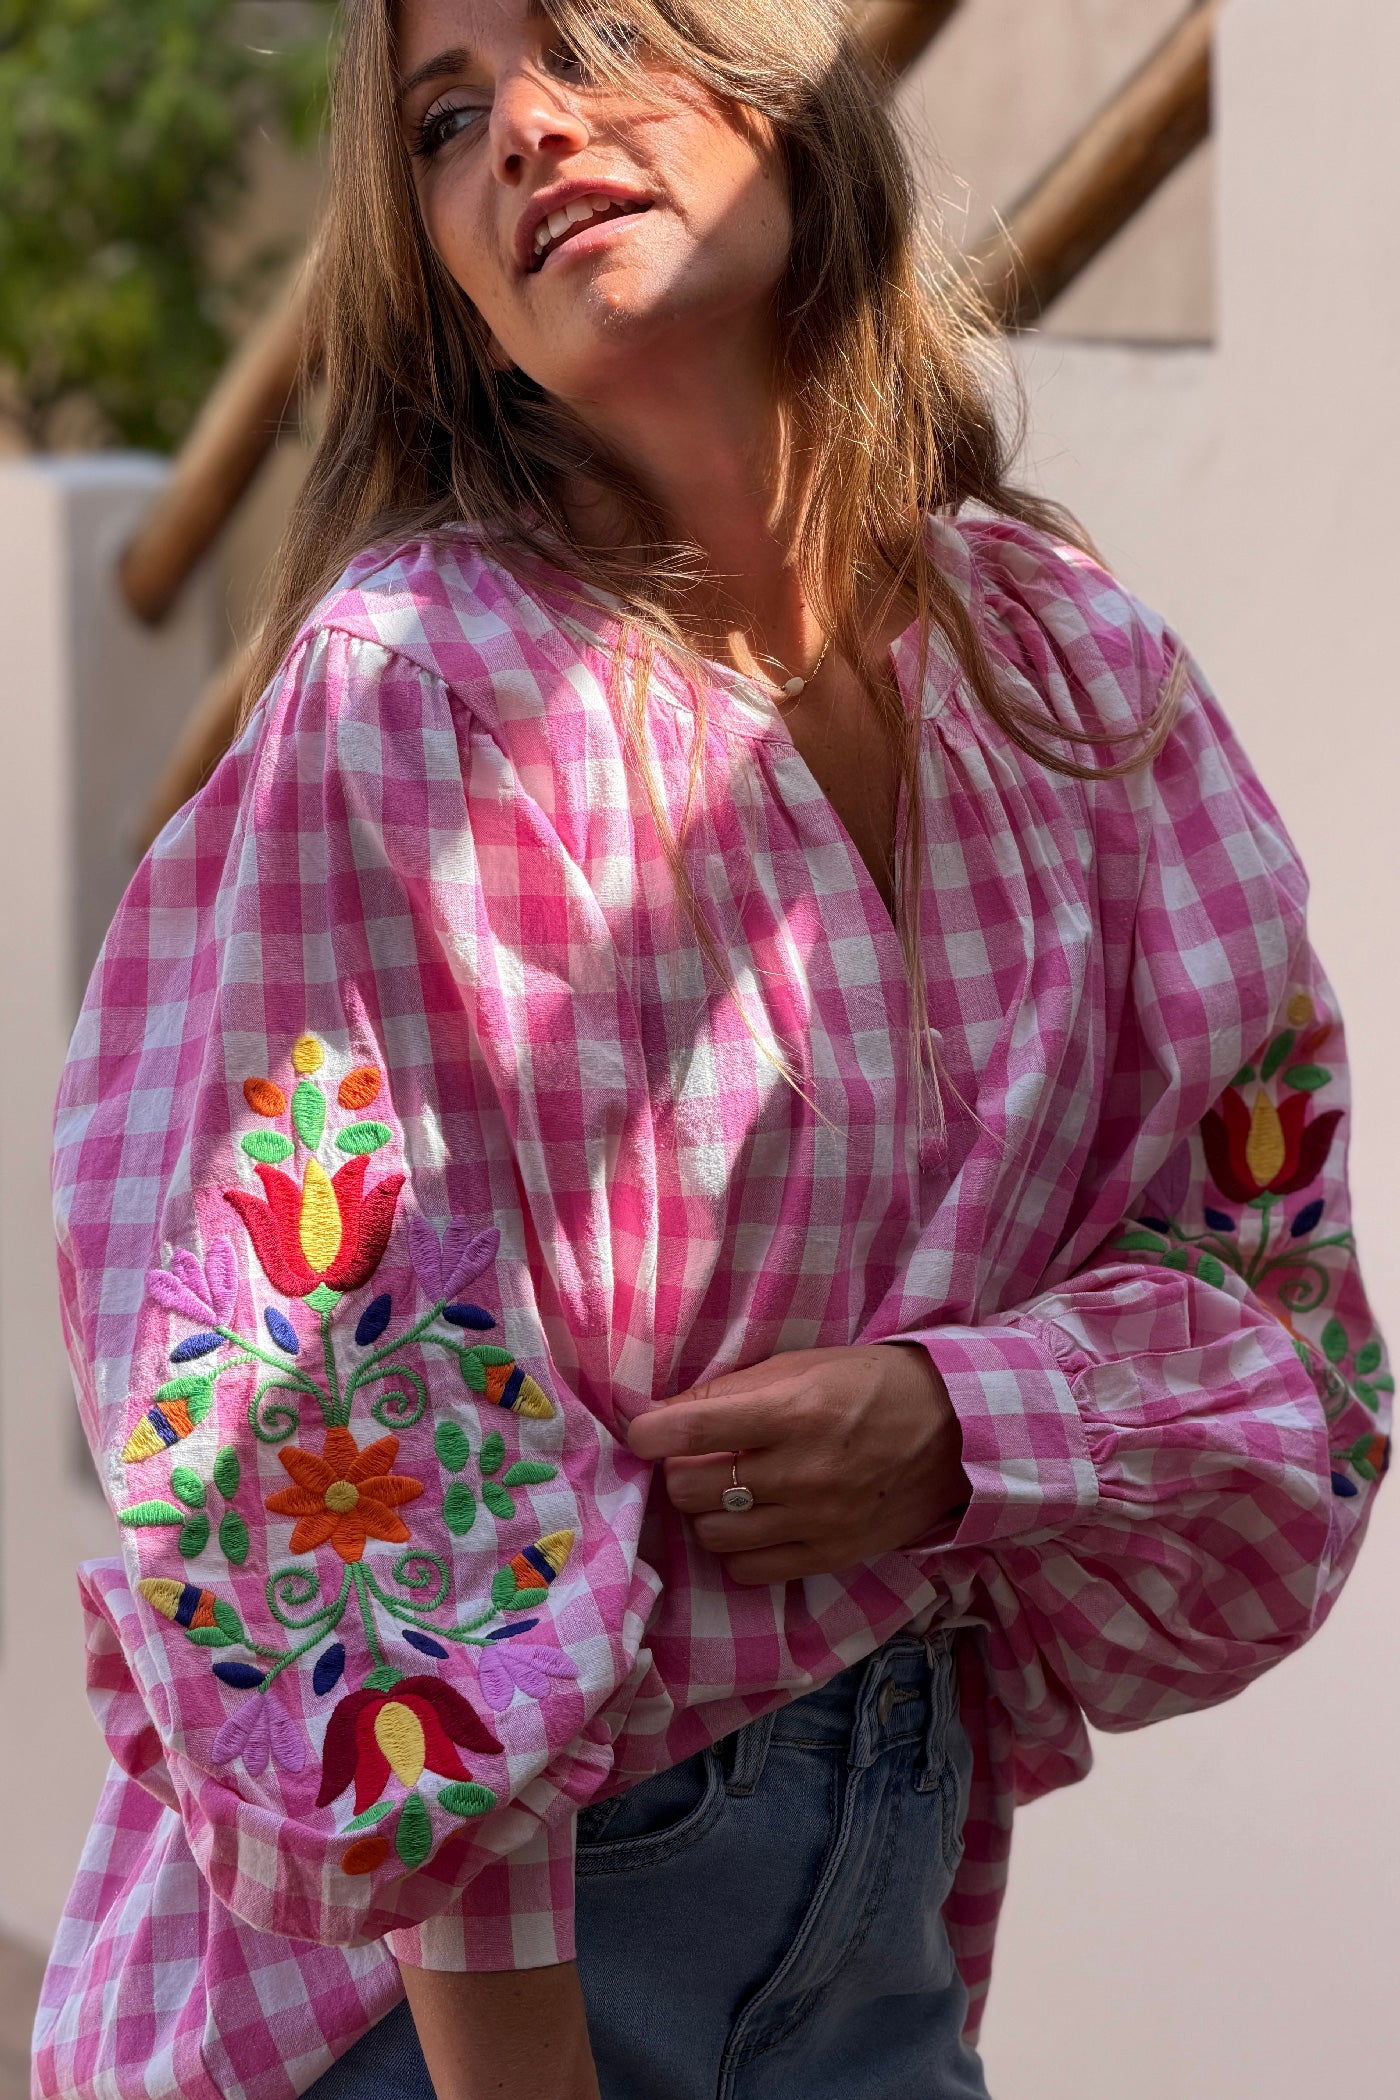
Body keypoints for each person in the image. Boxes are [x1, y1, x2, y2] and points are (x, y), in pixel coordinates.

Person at [36, 3, 1389, 2097]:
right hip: (464, 1990)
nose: (524, 133)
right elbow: (340, 1452)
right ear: (448, 292)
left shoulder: (1070, 676)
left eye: (583, 37)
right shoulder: (412, 695)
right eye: (446, 118)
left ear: (779, 81)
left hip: (884, 1905)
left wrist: (968, 1419)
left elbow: (1286, 1333)